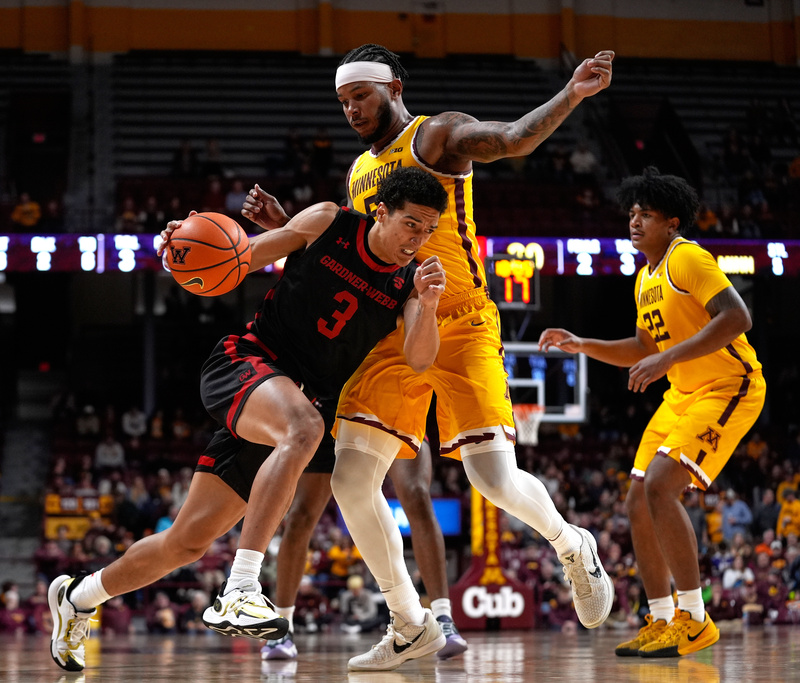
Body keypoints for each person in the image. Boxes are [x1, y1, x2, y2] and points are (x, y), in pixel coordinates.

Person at [242, 43, 616, 671]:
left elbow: (515, 138)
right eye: (342, 102)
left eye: (360, 96)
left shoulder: (436, 136)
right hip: (395, 329)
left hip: (463, 322)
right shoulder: (361, 172)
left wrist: (571, 95)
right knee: (351, 481)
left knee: (490, 479)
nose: (351, 110)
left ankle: (572, 543)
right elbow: (357, 257)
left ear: (392, 86)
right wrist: (291, 233)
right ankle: (410, 622)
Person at [46, 166, 450, 672]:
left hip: (295, 405)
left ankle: (78, 599)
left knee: (185, 542)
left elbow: (418, 357)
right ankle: (241, 585)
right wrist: (182, 248)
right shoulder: (329, 221)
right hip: (248, 363)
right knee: (305, 428)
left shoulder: (413, 280)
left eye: (429, 229)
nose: (419, 238)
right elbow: (241, 257)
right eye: (412, 224)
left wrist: (430, 305)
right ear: (381, 211)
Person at [538, 167, 766, 657]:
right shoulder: (645, 277)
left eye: (647, 214)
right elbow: (644, 344)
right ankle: (661, 617)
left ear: (673, 223)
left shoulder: (687, 258)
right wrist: (583, 345)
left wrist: (667, 357)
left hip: (729, 385)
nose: (635, 221)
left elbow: (737, 317)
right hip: (683, 392)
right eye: (632, 213)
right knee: (636, 501)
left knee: (662, 485)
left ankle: (695, 619)